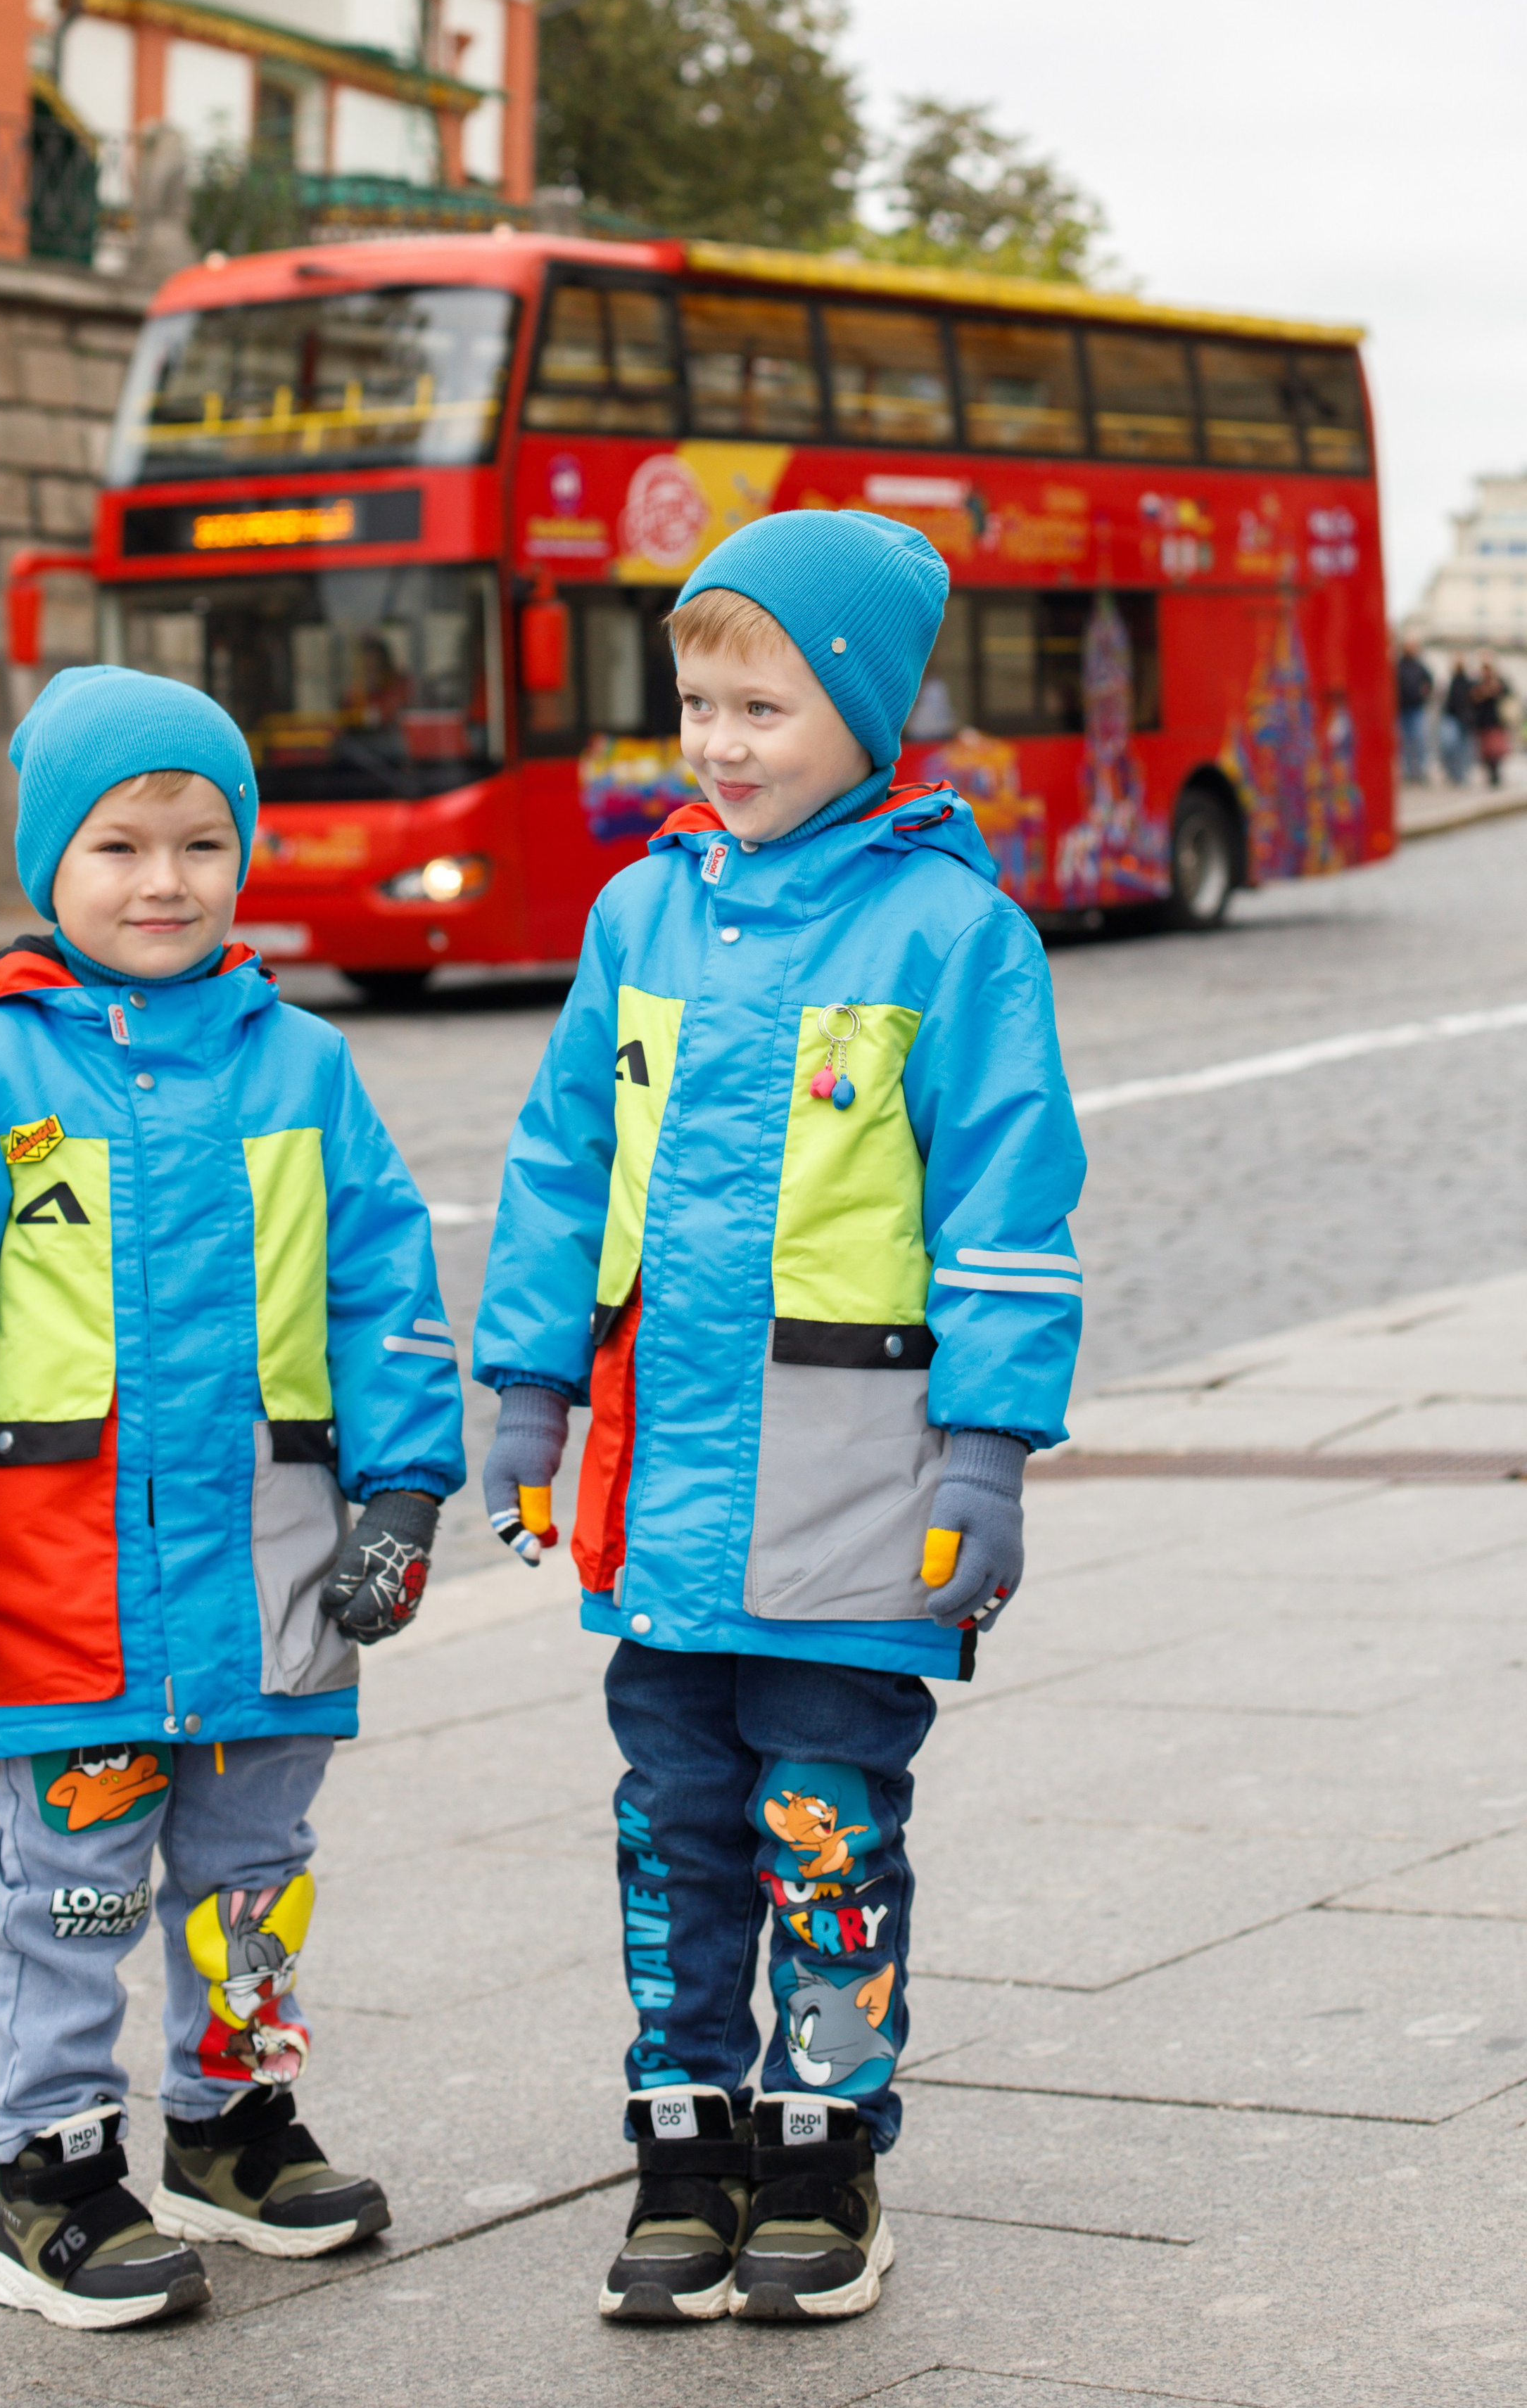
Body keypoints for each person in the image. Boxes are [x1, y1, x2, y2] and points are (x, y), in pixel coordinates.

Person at [471, 511, 1084, 2327]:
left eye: (764, 704)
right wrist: (523, 1393)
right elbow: (559, 1167)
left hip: (854, 1501)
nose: (722, 743)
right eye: (697, 703)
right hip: (663, 1501)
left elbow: (1008, 1209)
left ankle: (825, 2142)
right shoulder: (637, 912)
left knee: (826, 1815)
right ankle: (686, 2134)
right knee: (673, 1826)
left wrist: (987, 1455)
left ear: (866, 715)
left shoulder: (952, 936)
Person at [0, 665, 464, 2333]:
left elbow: (381, 1285)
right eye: (119, 843)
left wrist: (400, 1491)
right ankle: (48, 2168)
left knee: (251, 1869)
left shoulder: (305, 1064)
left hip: (272, 1569)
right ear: (50, 862)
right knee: (78, 1884)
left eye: (201, 839)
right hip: (59, 1584)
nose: (165, 878)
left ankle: (231, 2119)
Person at [1394, 639, 1432, 784]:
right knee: (1403, 742)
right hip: (1402, 709)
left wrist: (1424, 695)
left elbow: (1430, 682)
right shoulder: (1398, 666)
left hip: (1416, 709)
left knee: (1419, 740)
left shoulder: (1419, 667)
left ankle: (1420, 771)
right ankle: (1407, 771)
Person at [1471, 658, 1512, 789]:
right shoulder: (1478, 683)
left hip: (1496, 721)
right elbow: (1472, 699)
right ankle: (1491, 775)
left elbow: (1508, 694)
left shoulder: (1499, 683)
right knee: (1486, 751)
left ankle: (1496, 774)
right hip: (1483, 721)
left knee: (1496, 750)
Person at [1441, 658, 1476, 784]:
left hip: (1464, 719)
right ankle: (1453, 772)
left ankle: (1461, 774)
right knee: (1451, 746)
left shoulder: (1469, 681)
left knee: (1464, 749)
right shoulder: (1448, 680)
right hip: (1451, 717)